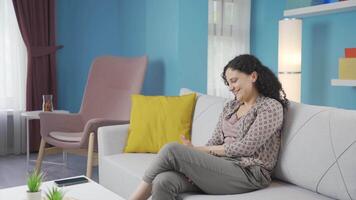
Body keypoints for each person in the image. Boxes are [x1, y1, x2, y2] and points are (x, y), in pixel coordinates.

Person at [130, 54, 288, 200]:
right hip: (222, 166)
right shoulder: (230, 107)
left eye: (234, 81)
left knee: (171, 150)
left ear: (253, 76)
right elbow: (215, 140)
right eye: (228, 83)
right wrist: (195, 159)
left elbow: (246, 147)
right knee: (163, 181)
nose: (231, 87)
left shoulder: (270, 107)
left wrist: (198, 151)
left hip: (249, 173)